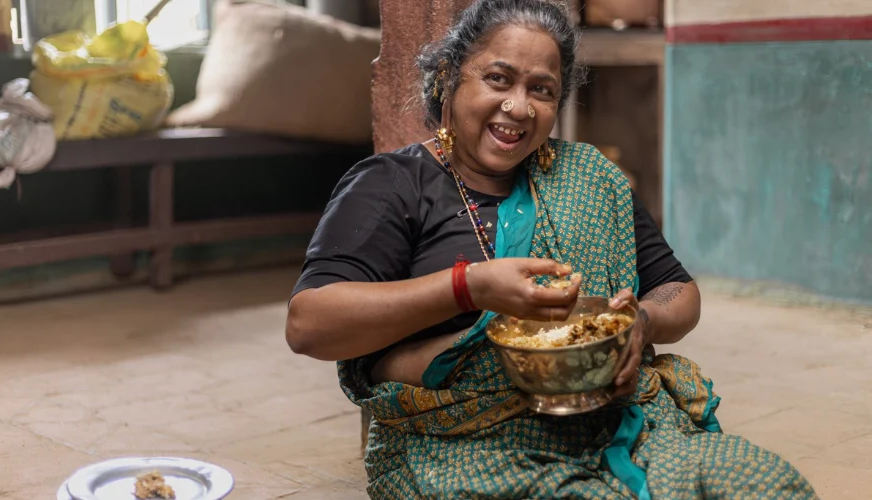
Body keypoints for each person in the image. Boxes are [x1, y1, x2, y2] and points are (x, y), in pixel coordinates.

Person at [286, 0, 817, 498]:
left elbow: (680, 292)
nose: (517, 108)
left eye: (541, 90)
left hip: (616, 421)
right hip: (459, 443)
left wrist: (643, 324)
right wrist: (466, 287)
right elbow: (309, 324)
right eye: (498, 79)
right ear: (449, 76)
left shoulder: (591, 178)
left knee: (765, 481)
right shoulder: (393, 185)